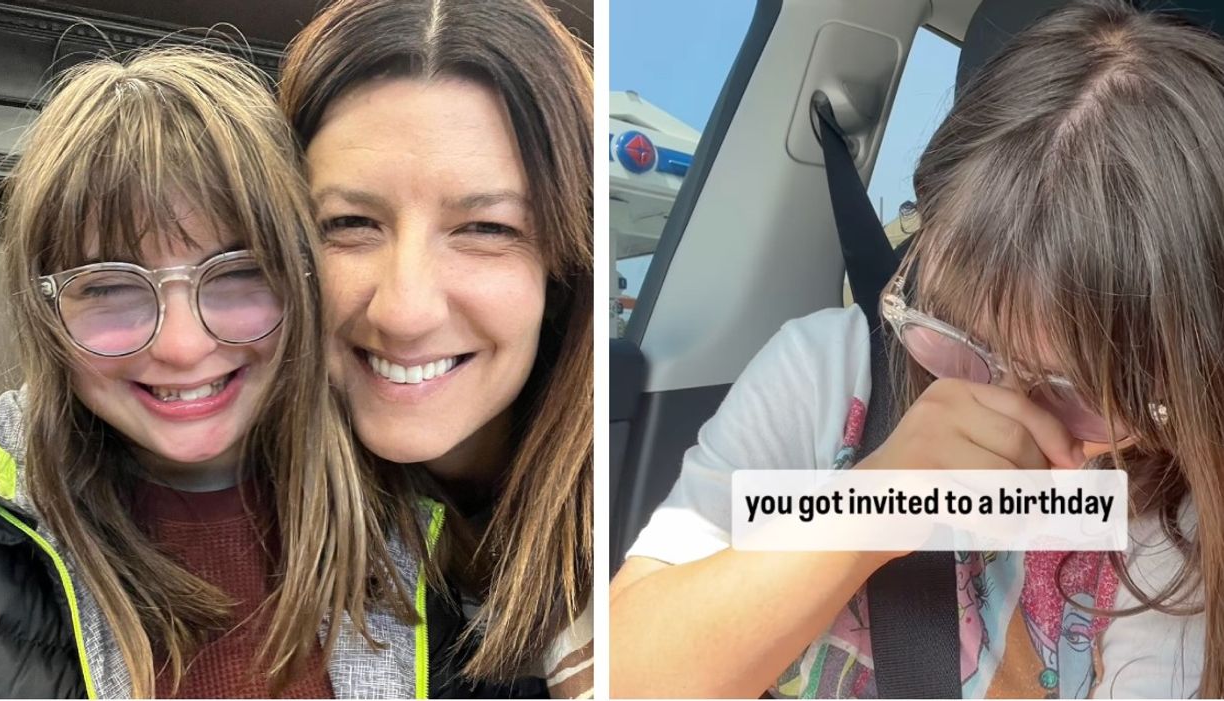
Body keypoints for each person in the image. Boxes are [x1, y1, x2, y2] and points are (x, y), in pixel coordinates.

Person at [611, 1, 1214, 698]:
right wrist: (875, 503)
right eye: (957, 335)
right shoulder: (827, 376)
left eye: (1073, 389)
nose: (999, 409)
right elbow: (625, 674)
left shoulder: (1165, 515)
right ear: (920, 258)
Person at [0, 48, 396, 698]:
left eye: (238, 272)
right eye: (109, 286)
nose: (180, 345)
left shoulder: (423, 514)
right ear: (46, 314)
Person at [279, 0, 594, 696]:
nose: (404, 309)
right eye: (349, 223)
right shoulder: (237, 512)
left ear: (566, 264)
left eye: (485, 228)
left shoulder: (651, 511)